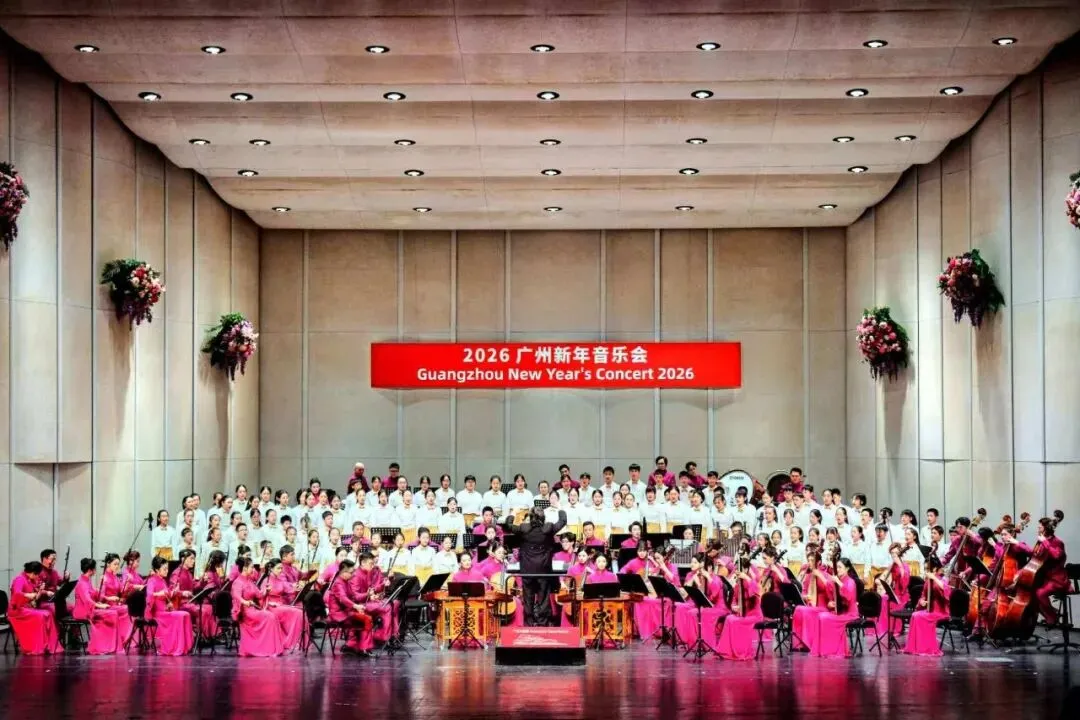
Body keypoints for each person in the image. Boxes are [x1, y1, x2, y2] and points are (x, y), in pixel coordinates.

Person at [502, 505, 567, 626]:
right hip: (543, 569)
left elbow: (508, 525)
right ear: (543, 517)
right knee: (544, 598)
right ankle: (543, 623)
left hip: (528, 570)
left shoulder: (524, 528)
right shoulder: (548, 528)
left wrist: (513, 512)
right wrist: (559, 508)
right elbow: (563, 521)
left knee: (528, 598)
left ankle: (529, 623)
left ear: (531, 517)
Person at [231, 557, 285, 657]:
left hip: (253, 609)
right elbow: (236, 596)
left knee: (272, 616)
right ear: (245, 568)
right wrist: (245, 602)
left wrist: (266, 591)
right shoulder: (238, 582)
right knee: (270, 616)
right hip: (245, 612)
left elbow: (259, 595)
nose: (253, 570)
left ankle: (270, 648)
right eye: (251, 567)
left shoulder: (249, 581)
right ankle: (267, 648)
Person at [673, 553, 728, 651]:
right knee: (690, 612)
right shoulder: (701, 577)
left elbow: (714, 594)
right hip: (707, 606)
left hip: (718, 607)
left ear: (709, 567)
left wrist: (706, 577)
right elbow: (702, 596)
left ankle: (706, 644)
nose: (701, 571)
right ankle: (692, 642)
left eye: (703, 568)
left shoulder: (716, 578)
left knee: (696, 613)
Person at [72, 558, 126, 655]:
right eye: (94, 568)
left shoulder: (86, 580)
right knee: (112, 614)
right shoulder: (81, 583)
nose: (95, 570)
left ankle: (109, 645)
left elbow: (94, 594)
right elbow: (87, 600)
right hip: (82, 611)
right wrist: (99, 605)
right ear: (90, 570)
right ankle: (103, 646)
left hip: (90, 608)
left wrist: (107, 598)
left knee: (112, 613)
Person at [8, 561, 63, 655]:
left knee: (48, 613)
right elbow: (17, 594)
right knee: (40, 616)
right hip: (17, 610)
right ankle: (39, 646)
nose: (38, 577)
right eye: (37, 575)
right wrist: (28, 595)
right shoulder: (20, 579)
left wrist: (40, 591)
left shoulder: (31, 579)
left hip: (26, 608)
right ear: (33, 573)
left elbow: (35, 598)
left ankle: (50, 645)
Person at [808, 556, 859, 658]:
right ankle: (821, 650)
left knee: (825, 618)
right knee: (820, 616)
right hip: (839, 612)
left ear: (847, 569)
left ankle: (832, 650)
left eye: (840, 567)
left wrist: (838, 582)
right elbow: (831, 597)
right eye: (837, 567)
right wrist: (830, 603)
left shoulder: (850, 582)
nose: (838, 569)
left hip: (849, 614)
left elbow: (849, 597)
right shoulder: (836, 581)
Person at [145, 556, 194, 656]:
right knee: (180, 616)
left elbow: (168, 594)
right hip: (157, 613)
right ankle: (176, 647)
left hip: (165, 610)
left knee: (186, 614)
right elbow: (149, 595)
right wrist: (158, 593)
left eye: (167, 568)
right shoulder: (152, 580)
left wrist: (175, 592)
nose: (167, 571)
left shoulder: (162, 580)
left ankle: (186, 647)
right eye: (164, 569)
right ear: (157, 570)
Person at [905, 555, 951, 656]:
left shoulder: (942, 579)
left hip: (940, 611)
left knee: (920, 617)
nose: (925, 571)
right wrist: (922, 601)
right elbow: (923, 595)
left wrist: (934, 578)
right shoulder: (927, 581)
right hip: (930, 609)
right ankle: (916, 647)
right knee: (915, 615)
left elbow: (946, 590)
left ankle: (926, 648)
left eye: (927, 569)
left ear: (934, 569)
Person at [327, 559, 374, 656]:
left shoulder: (346, 582)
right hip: (339, 614)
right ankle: (362, 647)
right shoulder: (338, 583)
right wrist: (356, 606)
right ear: (344, 572)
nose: (353, 574)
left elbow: (354, 596)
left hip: (346, 611)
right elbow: (343, 599)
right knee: (366, 619)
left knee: (365, 616)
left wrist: (367, 594)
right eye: (351, 572)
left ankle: (353, 645)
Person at [791, 550, 830, 651]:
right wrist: (805, 597)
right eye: (808, 560)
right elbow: (803, 591)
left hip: (822, 607)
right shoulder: (808, 576)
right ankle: (799, 643)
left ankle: (808, 644)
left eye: (812, 560)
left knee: (803, 610)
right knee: (798, 609)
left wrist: (819, 575)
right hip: (810, 605)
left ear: (819, 562)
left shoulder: (825, 575)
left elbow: (830, 590)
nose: (809, 563)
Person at [265, 558, 305, 652]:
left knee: (300, 612)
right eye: (278, 568)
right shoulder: (266, 580)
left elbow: (287, 588)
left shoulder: (279, 579)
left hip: (280, 605)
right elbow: (261, 596)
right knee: (297, 613)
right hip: (271, 607)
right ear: (271, 569)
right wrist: (269, 602)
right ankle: (294, 642)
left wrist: (296, 588)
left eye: (281, 568)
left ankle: (298, 641)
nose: (281, 570)